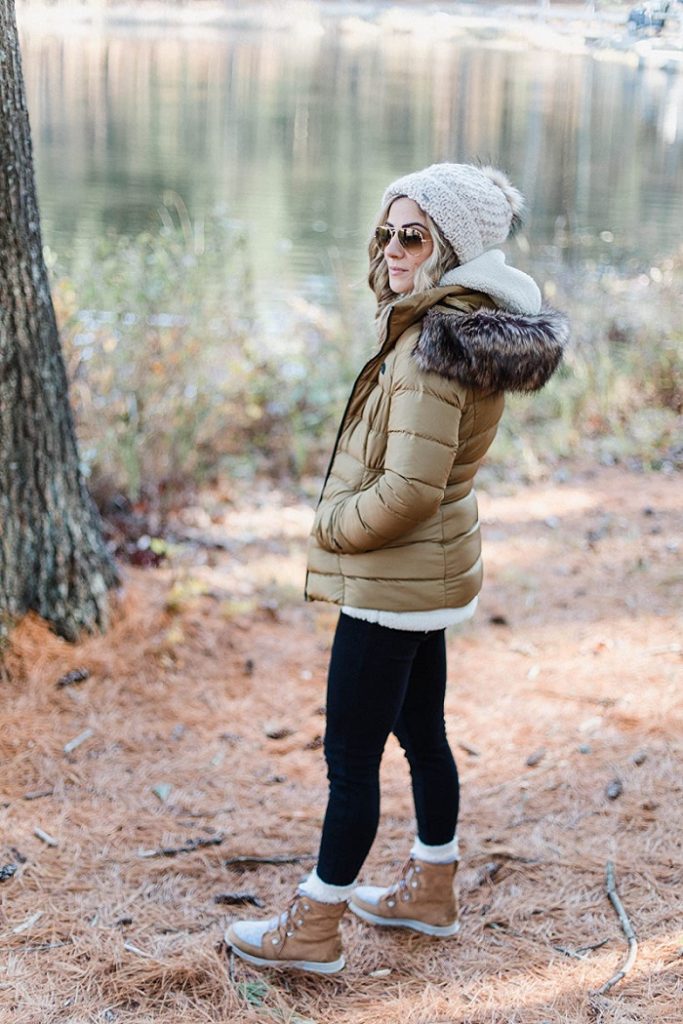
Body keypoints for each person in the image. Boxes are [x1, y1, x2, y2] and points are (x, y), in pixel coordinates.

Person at [225, 163, 569, 974]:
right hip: (424, 577)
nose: (391, 250)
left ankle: (313, 926)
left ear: (453, 247)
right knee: (421, 734)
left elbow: (409, 488)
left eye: (412, 235)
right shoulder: (462, 328)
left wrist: (333, 527)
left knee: (351, 760)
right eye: (386, 231)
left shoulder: (427, 345)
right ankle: (432, 885)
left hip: (391, 580)